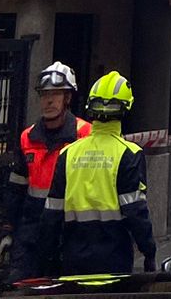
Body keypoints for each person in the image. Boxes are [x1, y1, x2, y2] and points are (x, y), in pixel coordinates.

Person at [40, 71, 155, 278]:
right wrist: (149, 252)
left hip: (72, 261)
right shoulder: (129, 154)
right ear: (126, 108)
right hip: (114, 261)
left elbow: (52, 214)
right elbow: (136, 213)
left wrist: (48, 258)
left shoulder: (68, 154)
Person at [6, 62, 92, 278]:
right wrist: (6, 230)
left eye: (56, 94)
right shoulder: (28, 137)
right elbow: (16, 188)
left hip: (69, 231)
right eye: (45, 95)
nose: (49, 100)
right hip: (31, 232)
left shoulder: (85, 134)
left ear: (68, 98)